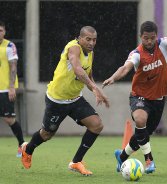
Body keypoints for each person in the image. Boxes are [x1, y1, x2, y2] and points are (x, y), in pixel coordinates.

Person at [102, 21, 167, 173]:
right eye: (146, 38)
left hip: (158, 99)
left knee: (143, 133)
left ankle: (122, 156)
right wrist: (114, 77)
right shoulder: (137, 54)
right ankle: (149, 160)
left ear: (156, 36)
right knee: (140, 120)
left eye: (152, 38)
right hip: (139, 96)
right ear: (141, 37)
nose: (149, 41)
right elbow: (125, 68)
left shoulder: (163, 44)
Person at [21, 26, 110, 176]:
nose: (91, 43)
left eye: (94, 40)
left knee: (96, 125)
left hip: (75, 99)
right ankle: (28, 149)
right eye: (88, 39)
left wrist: (97, 91)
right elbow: (77, 69)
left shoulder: (91, 53)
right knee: (47, 134)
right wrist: (94, 88)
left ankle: (76, 162)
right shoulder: (73, 48)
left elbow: (88, 73)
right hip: (57, 100)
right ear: (80, 38)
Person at [0, 21, 25, 157]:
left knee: (9, 119)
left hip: (4, 89)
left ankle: (22, 144)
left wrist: (11, 87)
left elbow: (13, 67)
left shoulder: (9, 46)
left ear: (4, 32)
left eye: (1, 30)